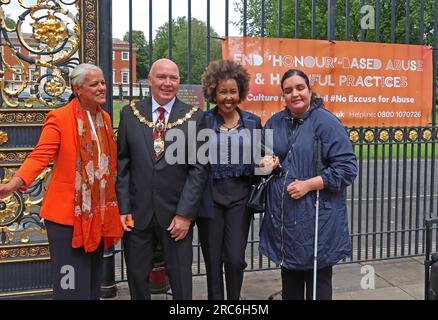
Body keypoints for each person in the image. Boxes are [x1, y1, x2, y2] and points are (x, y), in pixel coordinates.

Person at [0, 63, 123, 300]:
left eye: (103, 82)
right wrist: (14, 183)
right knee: (70, 286)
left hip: (97, 214)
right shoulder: (59, 117)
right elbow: (40, 154)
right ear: (78, 88)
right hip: (67, 219)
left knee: (91, 286)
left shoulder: (105, 118)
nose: (102, 88)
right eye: (94, 84)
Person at [259, 69, 357, 300]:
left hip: (316, 221)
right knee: (290, 282)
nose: (295, 94)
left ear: (309, 90)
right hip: (284, 222)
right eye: (288, 90)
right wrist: (265, 164)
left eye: (299, 88)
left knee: (318, 283)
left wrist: (309, 184)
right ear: (283, 95)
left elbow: (347, 169)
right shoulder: (275, 123)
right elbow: (261, 163)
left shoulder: (327, 123)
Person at [116, 58, 208, 300]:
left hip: (176, 216)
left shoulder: (195, 117)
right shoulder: (130, 114)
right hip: (137, 214)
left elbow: (198, 170)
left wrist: (185, 214)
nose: (168, 83)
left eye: (173, 78)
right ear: (150, 81)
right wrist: (124, 207)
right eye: (162, 77)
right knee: (136, 276)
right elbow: (123, 164)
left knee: (180, 278)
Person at [196, 60, 262, 300]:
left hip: (240, 199)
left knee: (234, 260)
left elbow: (259, 160)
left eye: (233, 91)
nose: (228, 97)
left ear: (240, 92)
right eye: (222, 91)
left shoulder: (253, 122)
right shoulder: (202, 121)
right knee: (213, 263)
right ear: (213, 91)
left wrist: (267, 164)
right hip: (209, 198)